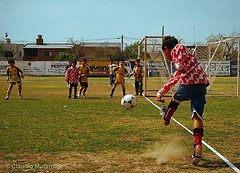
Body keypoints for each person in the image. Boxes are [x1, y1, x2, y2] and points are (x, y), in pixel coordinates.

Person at [157, 36, 209, 165]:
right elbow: (174, 78)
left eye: (164, 53)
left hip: (189, 83)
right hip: (201, 84)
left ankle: (166, 118)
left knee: (175, 101)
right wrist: (160, 92)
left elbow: (178, 49)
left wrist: (179, 65)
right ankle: (197, 145)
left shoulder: (178, 49)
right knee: (196, 115)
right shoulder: (187, 59)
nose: (166, 56)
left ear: (166, 49)